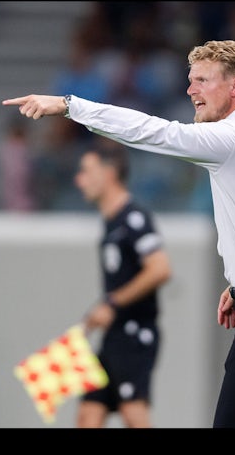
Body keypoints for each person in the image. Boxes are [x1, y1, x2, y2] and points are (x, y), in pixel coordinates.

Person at [3, 39, 235, 428]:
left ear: (234, 86)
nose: (190, 90)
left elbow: (157, 133)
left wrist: (70, 105)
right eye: (190, 81)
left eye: (202, 80)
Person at [73, 140, 171, 428]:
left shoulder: (134, 218)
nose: (79, 180)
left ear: (110, 172)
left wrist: (112, 303)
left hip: (134, 334)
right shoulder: (111, 223)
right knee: (88, 415)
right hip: (113, 336)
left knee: (133, 415)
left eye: (86, 171)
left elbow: (160, 269)